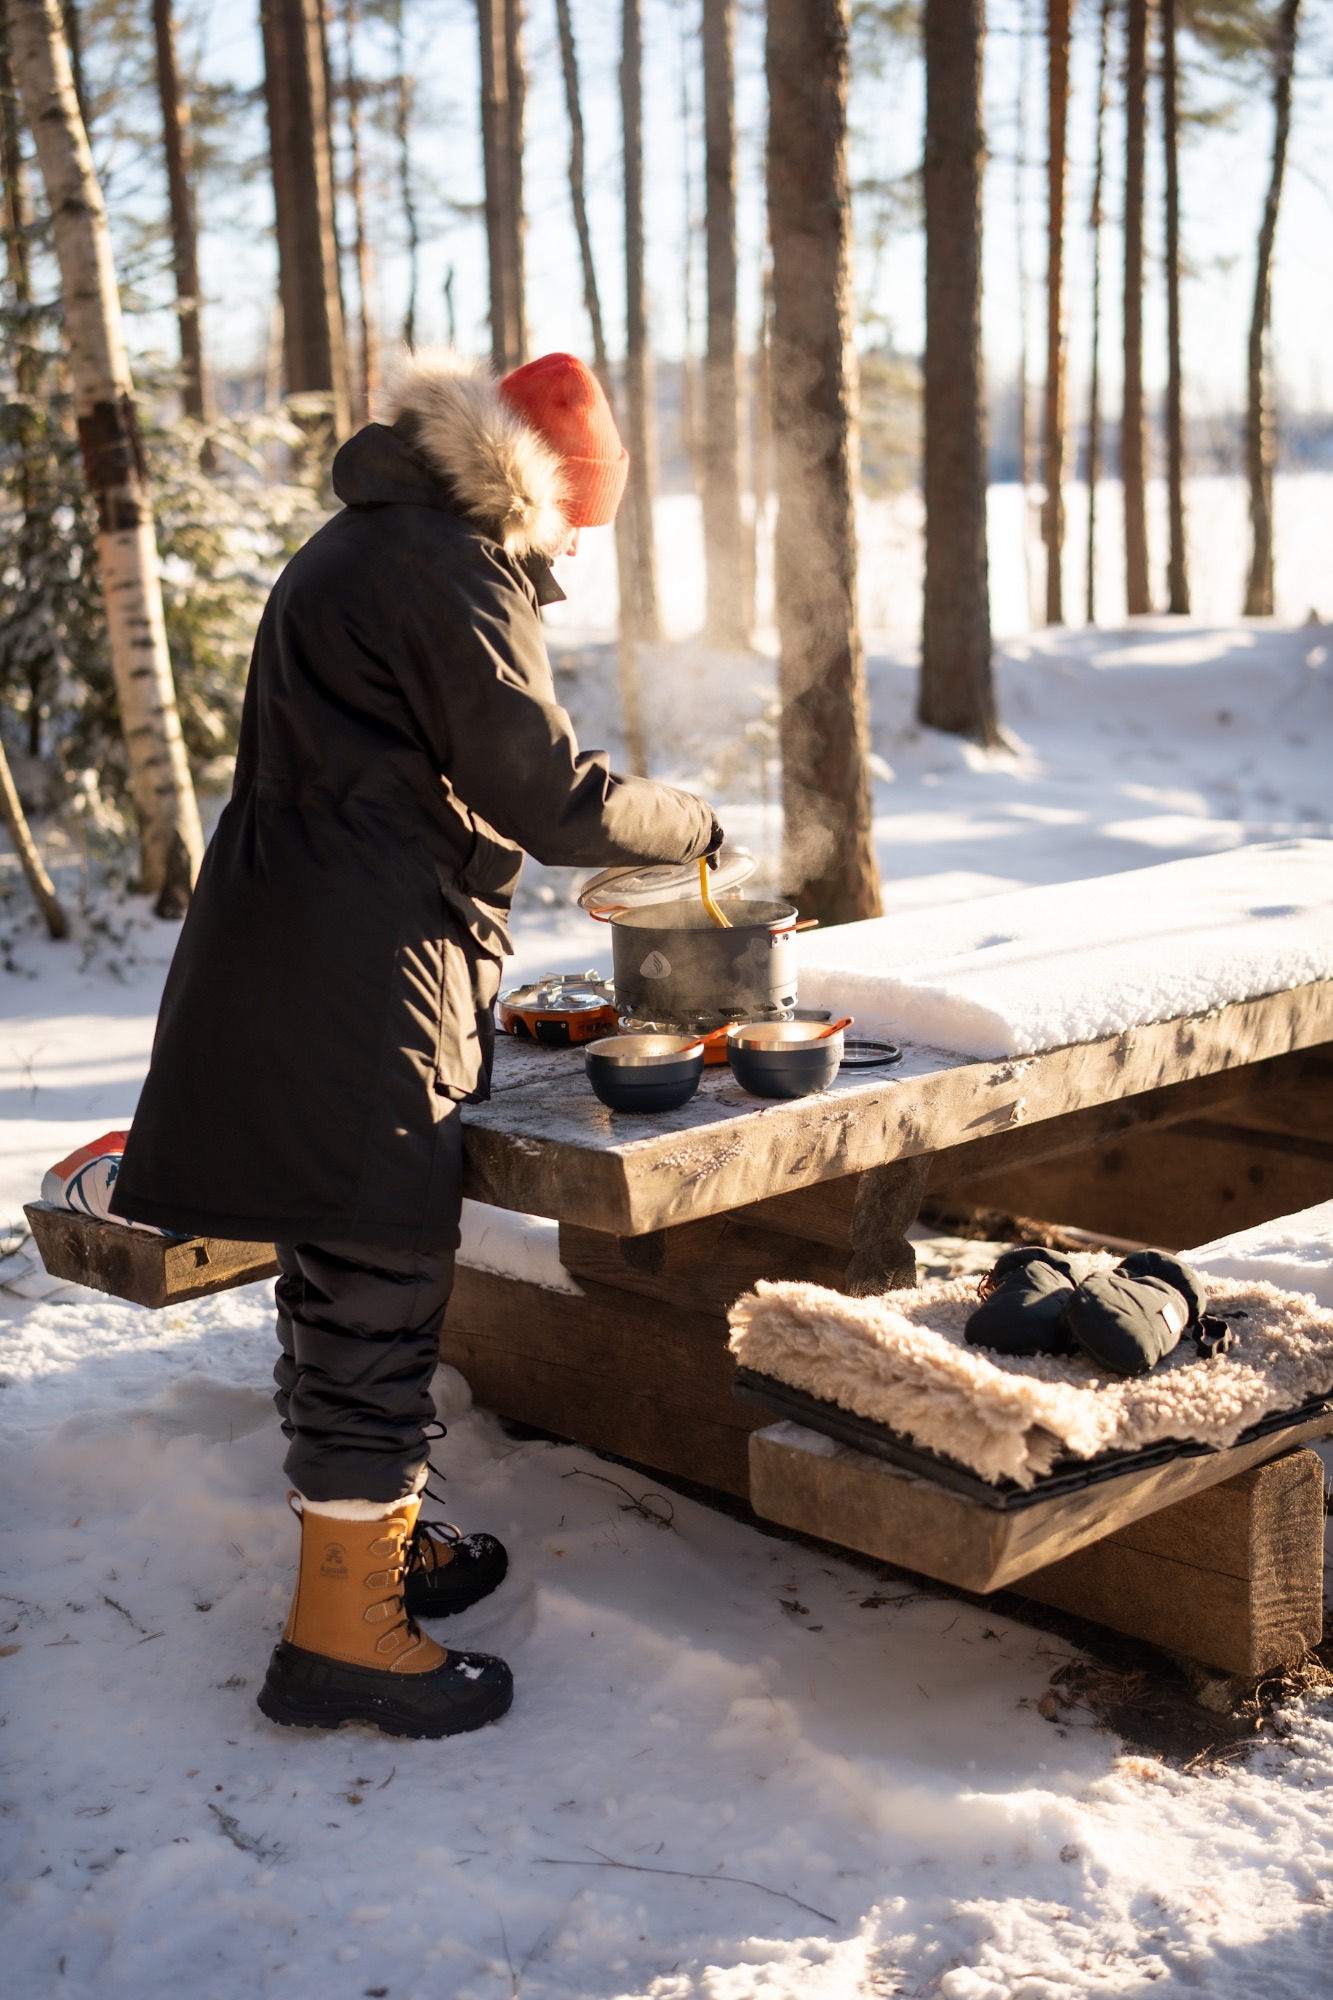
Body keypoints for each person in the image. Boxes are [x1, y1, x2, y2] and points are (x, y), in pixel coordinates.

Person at [113, 350, 721, 1740]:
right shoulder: (450, 567)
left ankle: (373, 1549)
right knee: (377, 1272)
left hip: (294, 946)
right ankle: (344, 1635)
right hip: (360, 967)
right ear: (540, 488)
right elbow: (546, 797)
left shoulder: (371, 543)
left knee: (338, 1258)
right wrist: (688, 823)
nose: (574, 555)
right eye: (579, 524)